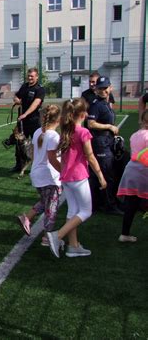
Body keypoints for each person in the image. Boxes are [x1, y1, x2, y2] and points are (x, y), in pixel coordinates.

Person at [46, 99, 107, 258]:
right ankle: (57, 235)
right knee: (86, 211)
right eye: (86, 111)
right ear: (81, 114)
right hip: (78, 177)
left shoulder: (65, 131)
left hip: (66, 178)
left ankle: (73, 246)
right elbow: (90, 156)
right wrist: (100, 176)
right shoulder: (83, 132)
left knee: (73, 211)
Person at [17, 104, 62, 246]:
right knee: (52, 208)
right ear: (59, 119)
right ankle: (46, 237)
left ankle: (27, 218)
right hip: (49, 176)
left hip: (37, 174)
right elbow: (53, 159)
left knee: (45, 201)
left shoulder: (38, 132)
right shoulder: (54, 136)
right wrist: (65, 171)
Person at [86, 76, 123, 215]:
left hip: (106, 141)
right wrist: (109, 126)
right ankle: (109, 205)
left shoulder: (105, 102)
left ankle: (99, 203)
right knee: (106, 174)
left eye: (105, 88)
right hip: (100, 143)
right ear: (96, 89)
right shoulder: (96, 105)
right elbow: (91, 124)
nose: (103, 91)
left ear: (110, 88)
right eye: (100, 88)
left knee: (101, 174)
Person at [116, 109, 148, 242]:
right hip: (143, 173)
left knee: (131, 204)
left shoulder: (134, 135)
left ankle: (124, 234)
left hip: (130, 172)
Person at [10, 68, 45, 173]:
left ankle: (38, 166)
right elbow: (17, 95)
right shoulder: (24, 86)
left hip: (34, 120)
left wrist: (25, 114)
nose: (30, 78)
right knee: (19, 144)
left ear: (37, 77)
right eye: (28, 76)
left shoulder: (40, 89)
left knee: (37, 144)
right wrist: (16, 99)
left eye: (32, 76)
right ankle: (19, 165)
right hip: (22, 121)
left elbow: (36, 104)